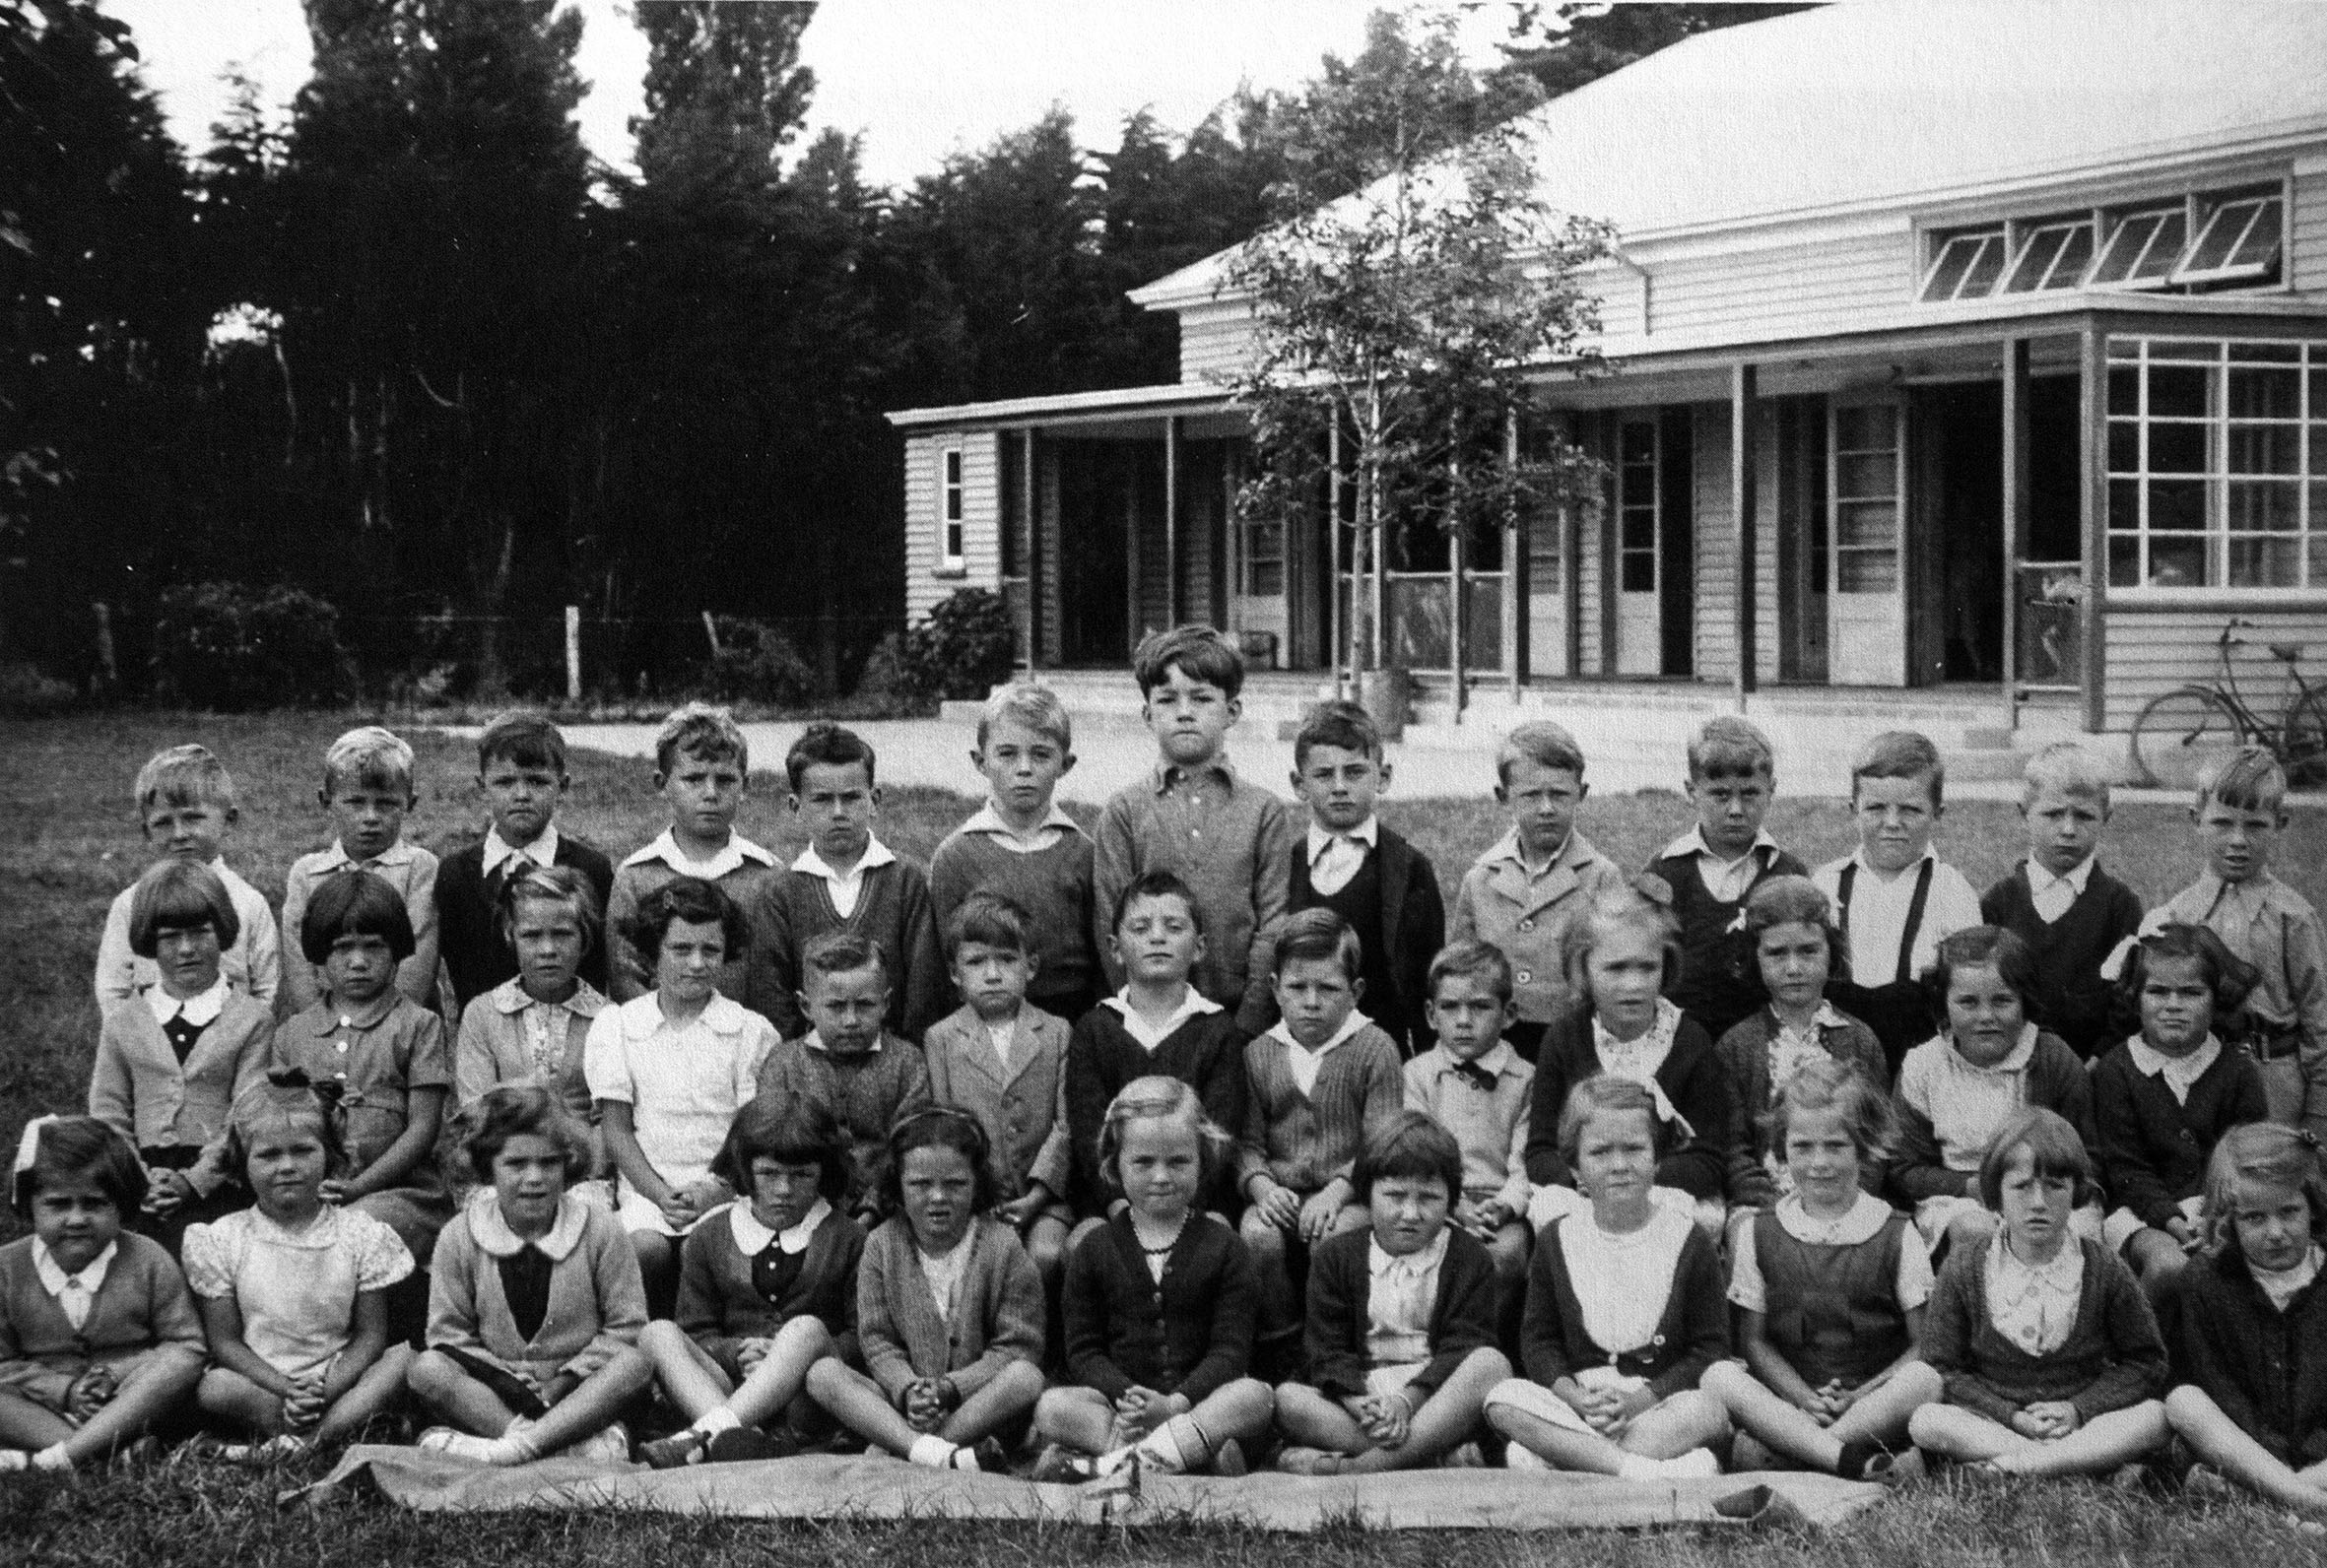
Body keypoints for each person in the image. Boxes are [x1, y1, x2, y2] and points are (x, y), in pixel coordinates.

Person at [1700, 1059, 1941, 1482]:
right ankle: (1847, 1458)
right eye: (1803, 1147)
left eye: (1836, 1146)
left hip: (1871, 1402)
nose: (1819, 1163)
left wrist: (1859, 1397)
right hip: (1791, 1402)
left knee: (1925, 1380)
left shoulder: (1896, 1233)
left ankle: (1801, 1454)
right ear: (1781, 1147)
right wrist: (1805, 1399)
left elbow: (1922, 1345)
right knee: (1720, 1376)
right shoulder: (1759, 1230)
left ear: (1864, 1147)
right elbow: (1753, 1343)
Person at [1486, 1078, 1731, 1479]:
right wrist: (1576, 1398)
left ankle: (1573, 1461)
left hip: (1656, 1407)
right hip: (1580, 1407)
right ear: (1574, 1166)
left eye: (1634, 1149)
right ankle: (1639, 1470)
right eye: (1600, 1152)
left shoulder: (1689, 1238)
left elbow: (1710, 1347)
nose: (1619, 1165)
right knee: (1503, 1397)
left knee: (1706, 1409)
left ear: (1657, 1157)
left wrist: (1637, 1403)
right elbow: (1539, 1340)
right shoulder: (1556, 1239)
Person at [1907, 1108, 2170, 1477]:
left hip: (2081, 1422)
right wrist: (2010, 1416)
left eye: (2055, 1186)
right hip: (1997, 1422)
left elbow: (2147, 1361)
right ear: (1995, 1194)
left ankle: (2019, 1467)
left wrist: (2079, 1408)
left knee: (2155, 1417)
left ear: (2076, 1192)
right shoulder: (1965, 1267)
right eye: (2021, 1186)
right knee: (1926, 1419)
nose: (2038, 1203)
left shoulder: (2102, 1267)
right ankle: (2068, 1464)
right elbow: (1942, 1366)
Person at [1032, 1077, 1271, 1481]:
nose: (1161, 1176)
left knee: (1256, 1397)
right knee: (1052, 1407)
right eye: (1143, 1162)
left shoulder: (1226, 1246)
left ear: (1202, 1162)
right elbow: (1084, 1352)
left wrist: (1176, 1403)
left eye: (1178, 1162)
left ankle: (1111, 1462)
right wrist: (1130, 1401)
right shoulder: (1094, 1247)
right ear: (1114, 1164)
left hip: (1197, 1403)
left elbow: (1230, 1351)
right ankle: (1184, 1453)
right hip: (1122, 1409)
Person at [407, 1086, 652, 1467]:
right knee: (427, 1369)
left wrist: (561, 1382)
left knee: (634, 1365)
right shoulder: (458, 1235)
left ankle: (512, 1448)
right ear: (488, 1168)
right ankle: (560, 1448)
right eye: (516, 1164)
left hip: (580, 1392)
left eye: (549, 1163)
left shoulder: (600, 1229)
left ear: (567, 1164)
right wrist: (507, 1379)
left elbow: (627, 1326)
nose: (534, 1177)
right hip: (496, 1393)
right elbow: (448, 1336)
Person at [803, 1109, 1045, 1472]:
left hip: (978, 1405)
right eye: (920, 1184)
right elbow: (878, 1341)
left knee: (1026, 1377)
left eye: (955, 1184)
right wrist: (909, 1389)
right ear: (897, 1184)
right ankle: (936, 1453)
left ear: (977, 1182)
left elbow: (1017, 1346)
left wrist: (950, 1388)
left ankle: (910, 1448)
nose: (937, 1198)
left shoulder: (1003, 1245)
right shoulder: (880, 1246)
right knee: (822, 1373)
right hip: (902, 1403)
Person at [183, 1079, 414, 1459]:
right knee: (215, 1387)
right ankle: (322, 1434)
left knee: (401, 1360)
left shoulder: (360, 1234)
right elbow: (225, 1343)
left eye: (303, 1151)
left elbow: (371, 1337)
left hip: (337, 1377)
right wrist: (287, 1389)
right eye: (268, 1155)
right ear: (242, 1162)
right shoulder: (223, 1238)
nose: (287, 1166)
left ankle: (301, 1443)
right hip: (263, 1380)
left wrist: (325, 1389)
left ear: (330, 1155)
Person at [1271, 1112, 1511, 1475]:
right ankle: (1433, 1457)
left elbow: (1463, 1346)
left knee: (1490, 1364)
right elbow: (1326, 1351)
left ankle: (1354, 1469)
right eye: (1395, 1196)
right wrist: (1361, 1405)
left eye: (1429, 1198)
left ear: (1452, 1199)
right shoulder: (1337, 1256)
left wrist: (1407, 1401)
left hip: (1436, 1397)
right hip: (1364, 1398)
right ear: (1367, 1193)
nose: (1410, 1213)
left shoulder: (1468, 1257)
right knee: (1288, 1399)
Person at [585, 876, 776, 1313]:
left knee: (706, 1249)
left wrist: (714, 1189)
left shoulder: (749, 1030)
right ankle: (640, 1343)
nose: (696, 963)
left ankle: (702, 1343)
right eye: (681, 949)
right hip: (647, 1189)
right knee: (644, 1251)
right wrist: (657, 1194)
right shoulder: (619, 1026)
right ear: (653, 952)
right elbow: (616, 1130)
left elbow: (749, 1132)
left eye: (710, 950)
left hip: (725, 1189)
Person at [637, 1100, 865, 1469]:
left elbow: (862, 1337)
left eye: (802, 1175)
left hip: (806, 1395)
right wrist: (737, 1352)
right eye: (768, 1173)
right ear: (745, 1171)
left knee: (804, 1330)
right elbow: (695, 1331)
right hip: (726, 1387)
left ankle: (708, 1434)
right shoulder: (710, 1235)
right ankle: (742, 1437)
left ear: (825, 1173)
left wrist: (783, 1353)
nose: (784, 1189)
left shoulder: (849, 1237)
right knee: (657, 1333)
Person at [1093, 623, 1294, 1034]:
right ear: (1148, 714)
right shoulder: (1125, 811)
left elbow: (1273, 923)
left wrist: (1251, 1020)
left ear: (1232, 711)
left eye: (1202, 698)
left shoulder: (1264, 811)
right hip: (1150, 1019)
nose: (1185, 712)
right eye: (1168, 700)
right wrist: (1141, 1016)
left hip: (1239, 1016)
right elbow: (1109, 921)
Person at [269, 871, 452, 1317]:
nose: (357, 961)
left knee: (364, 1227)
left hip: (402, 1192)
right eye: (341, 949)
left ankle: (372, 1337)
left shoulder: (419, 1025)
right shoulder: (294, 1034)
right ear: (318, 958)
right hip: (314, 1190)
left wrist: (360, 1187)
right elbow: (278, 1125)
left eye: (373, 946)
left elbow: (423, 1128)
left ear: (397, 954)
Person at [1238, 908, 1404, 1376]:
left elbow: (1382, 1143)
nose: (1311, 1002)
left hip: (1350, 1193)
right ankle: (1281, 1347)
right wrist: (1262, 1188)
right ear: (1274, 989)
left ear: (1355, 993)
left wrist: (1338, 1190)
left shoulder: (1374, 1048)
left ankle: (1333, 1346)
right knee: (1256, 1235)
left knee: (1333, 1236)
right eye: (1297, 988)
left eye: (1328, 989)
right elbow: (1246, 1144)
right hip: (1282, 1190)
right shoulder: (1259, 1053)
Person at [88, 860, 276, 1256]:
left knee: (201, 1251)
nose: (187, 948)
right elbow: (108, 1112)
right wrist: (139, 1181)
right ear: (148, 944)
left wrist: (194, 1181)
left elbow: (248, 1112)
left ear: (221, 933)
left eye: (200, 933)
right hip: (138, 1180)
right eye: (171, 937)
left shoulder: (251, 1019)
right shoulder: (125, 1020)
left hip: (220, 1179)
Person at [0, 1117, 204, 1472]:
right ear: (28, 1204)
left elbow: (186, 1345)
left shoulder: (147, 1258)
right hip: (43, 1405)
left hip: (131, 1400)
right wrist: (65, 1390)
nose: (77, 1219)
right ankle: (111, 1453)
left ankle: (59, 1459)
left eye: (94, 1204)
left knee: (179, 1369)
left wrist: (118, 1373)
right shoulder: (8, 1268)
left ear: (122, 1206)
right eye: (58, 1204)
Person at [1522, 882, 1730, 1231]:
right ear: (1583, 969)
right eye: (1616, 969)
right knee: (1550, 1214)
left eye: (1647, 968)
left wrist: (1637, 1178)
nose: (1633, 984)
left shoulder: (1689, 1042)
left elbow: (1709, 1158)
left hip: (1668, 1190)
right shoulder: (1564, 1039)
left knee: (1697, 1222)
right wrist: (1591, 1180)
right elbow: (1541, 1150)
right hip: (1583, 1188)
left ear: (1666, 965)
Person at [2145, 747, 2327, 1142]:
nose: (2238, 840)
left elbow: (2320, 1020)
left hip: (2273, 1079)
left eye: (2256, 826)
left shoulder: (2293, 917)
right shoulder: (2180, 913)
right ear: (2196, 820)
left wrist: (2318, 1115)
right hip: (2196, 1074)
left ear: (2280, 824)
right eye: (2222, 823)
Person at [1892, 927, 2100, 1259]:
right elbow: (1904, 1168)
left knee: (2076, 1236)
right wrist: (1969, 1187)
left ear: (2024, 1001)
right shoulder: (1923, 1067)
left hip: (2046, 1189)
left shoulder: (2052, 1059)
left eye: (2002, 1001)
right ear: (1944, 1006)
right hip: (1961, 1198)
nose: (1986, 1016)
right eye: (1968, 1003)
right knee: (1977, 1231)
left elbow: (2089, 1156)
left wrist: (2040, 1190)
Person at [2094, 925, 2269, 1316]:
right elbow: (2125, 1169)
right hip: (2140, 1213)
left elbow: (2247, 1158)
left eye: (2191, 993)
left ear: (2217, 999)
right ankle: (2141, 1358)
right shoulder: (2116, 1072)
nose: (2173, 1005)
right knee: (2170, 1266)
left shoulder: (2237, 1071)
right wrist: (2174, 1222)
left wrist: (2215, 1217)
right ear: (2136, 998)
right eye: (2158, 992)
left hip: (2219, 1210)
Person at [1065, 872, 1249, 1220]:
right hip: (1112, 1205)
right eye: (1140, 928)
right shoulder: (1094, 1029)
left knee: (1216, 1237)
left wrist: (1188, 1208)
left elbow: (1220, 1137)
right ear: (1116, 949)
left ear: (1199, 948)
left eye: (1174, 927)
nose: (1158, 937)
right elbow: (1089, 1133)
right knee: (1082, 1245)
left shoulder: (1219, 1030)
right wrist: (1119, 1205)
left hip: (1199, 1202)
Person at [2165, 1123, 2327, 1517]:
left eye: (2289, 1212)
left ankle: (2268, 1497)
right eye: (2254, 1218)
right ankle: (2306, 1500)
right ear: (2227, 1221)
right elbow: (2215, 1383)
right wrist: (2268, 1454)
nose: (2275, 1232)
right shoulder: (2206, 1281)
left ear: (2313, 1207)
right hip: (2247, 1447)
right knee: (2184, 1402)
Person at [919, 894, 1073, 1302]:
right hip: (976, 1201)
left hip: (1045, 1200)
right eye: (976, 962)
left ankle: (1046, 1348)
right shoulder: (942, 1039)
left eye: (1006, 960)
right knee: (979, 1261)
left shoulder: (1056, 1032)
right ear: (954, 973)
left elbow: (1064, 1126)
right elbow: (944, 1126)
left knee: (1046, 1254)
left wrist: (1038, 1196)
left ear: (1031, 967)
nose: (992, 974)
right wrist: (977, 1196)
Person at [1448, 721, 1625, 1061]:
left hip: (1575, 1042)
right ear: (1503, 797)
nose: (1546, 808)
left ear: (1581, 794)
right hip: (1496, 1042)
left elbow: (1616, 967)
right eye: (1531, 795)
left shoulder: (1602, 877)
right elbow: (1461, 968)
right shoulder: (1481, 878)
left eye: (1559, 794)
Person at [1811, 731, 1983, 1074]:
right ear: (1853, 810)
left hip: (1921, 1057)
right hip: (1835, 1057)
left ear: (1938, 812)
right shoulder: (1826, 884)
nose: (1892, 823)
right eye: (1875, 808)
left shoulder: (1952, 891)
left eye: (1910, 810)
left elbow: (1968, 986)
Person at [1715, 877, 1888, 1219]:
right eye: (1777, 954)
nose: (1794, 967)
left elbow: (1876, 1139)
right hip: (1763, 1205)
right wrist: (1772, 1206)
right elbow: (1733, 1148)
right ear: (1755, 958)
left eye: (1808, 951)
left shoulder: (1859, 1040)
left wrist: (1846, 1199)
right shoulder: (1737, 1046)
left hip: (1847, 1198)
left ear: (1831, 952)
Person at [929, 685, 1099, 1025]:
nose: (1024, 768)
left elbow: (1099, 955)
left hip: (1071, 1015)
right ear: (981, 762)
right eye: (1007, 754)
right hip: (984, 1017)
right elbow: (941, 958)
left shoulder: (1083, 852)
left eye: (1040, 755)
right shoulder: (956, 856)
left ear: (1065, 764)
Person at [764, 723, 946, 1043]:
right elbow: (774, 998)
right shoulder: (780, 892)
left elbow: (925, 989)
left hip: (895, 1062)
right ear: (796, 807)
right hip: (809, 1067)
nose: (838, 813)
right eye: (822, 800)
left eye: (851, 798)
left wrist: (903, 1060)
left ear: (873, 800)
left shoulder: (906, 881)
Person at [605, 703, 785, 1026]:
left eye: (726, 780)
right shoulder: (636, 876)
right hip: (660, 1049)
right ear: (662, 784)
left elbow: (777, 977)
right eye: (694, 779)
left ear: (746, 785)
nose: (711, 793)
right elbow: (625, 978)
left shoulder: (768, 875)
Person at [1285, 699, 1443, 1057]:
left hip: (1384, 1049)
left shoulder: (1409, 868)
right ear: (1299, 784)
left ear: (1382, 777)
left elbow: (1426, 976)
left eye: (1354, 772)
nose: (1340, 787)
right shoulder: (1283, 864)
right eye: (1324, 775)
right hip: (1299, 1049)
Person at [1643, 717, 1808, 1046]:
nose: (1736, 809)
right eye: (1719, 794)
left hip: (1765, 1042)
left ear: (1771, 790)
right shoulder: (1665, 873)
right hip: (1680, 1039)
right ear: (1691, 791)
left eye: (1750, 794)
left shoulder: (1789, 874)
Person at [435, 712, 616, 1012]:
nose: (521, 794)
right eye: (505, 782)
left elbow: (600, 967)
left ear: (563, 786)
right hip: (488, 1045)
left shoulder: (591, 869)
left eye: (536, 781)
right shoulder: (454, 875)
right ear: (483, 788)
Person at [452, 866, 612, 1201]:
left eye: (563, 934)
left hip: (581, 1169)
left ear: (584, 937)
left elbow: (608, 1121)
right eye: (532, 935)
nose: (548, 949)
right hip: (501, 1164)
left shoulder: (608, 1019)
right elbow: (477, 1110)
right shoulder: (484, 1013)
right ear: (512, 937)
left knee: (586, 1209)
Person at [1402, 940, 1534, 1344]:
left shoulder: (1526, 1078)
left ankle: (1479, 1349)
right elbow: (1416, 1151)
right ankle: (1415, 1346)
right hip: (1433, 1197)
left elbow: (1523, 1159)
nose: (1463, 1021)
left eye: (1479, 1007)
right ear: (1430, 1014)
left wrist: (1506, 1207)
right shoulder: (1419, 1074)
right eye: (1449, 1007)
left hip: (1499, 1207)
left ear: (1508, 1014)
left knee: (1505, 1254)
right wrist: (1451, 1204)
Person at [1978, 745, 2143, 1063]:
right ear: (2023, 812)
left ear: (2106, 817)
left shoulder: (2120, 906)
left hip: (2093, 1068)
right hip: (2011, 1064)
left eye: (2083, 816)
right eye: (2053, 814)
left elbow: (2129, 1001)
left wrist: (2100, 1058)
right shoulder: (1999, 903)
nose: (2068, 829)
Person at [755, 933, 933, 1223]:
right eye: (836, 1007)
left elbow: (909, 1149)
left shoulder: (907, 1062)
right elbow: (774, 1149)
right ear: (806, 1006)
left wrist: (872, 1208)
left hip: (890, 1211)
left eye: (864, 1005)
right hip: (804, 1212)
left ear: (885, 1003)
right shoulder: (783, 1064)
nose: (851, 1020)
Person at [94, 743, 279, 1014]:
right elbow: (113, 991)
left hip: (231, 1043)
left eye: (192, 818)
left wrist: (244, 1037)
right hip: (152, 1046)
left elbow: (265, 988)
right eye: (164, 823)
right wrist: (136, 1043)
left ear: (228, 820)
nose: (179, 834)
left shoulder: (249, 903)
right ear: (147, 831)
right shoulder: (129, 905)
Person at [279, 726, 442, 1016]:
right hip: (323, 1032)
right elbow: (299, 967)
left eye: (386, 804)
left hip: (402, 1030)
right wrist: (321, 1030)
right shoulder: (307, 874)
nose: (370, 817)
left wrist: (383, 1033)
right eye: (355, 802)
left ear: (410, 803)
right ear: (326, 800)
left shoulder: (419, 868)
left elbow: (417, 963)